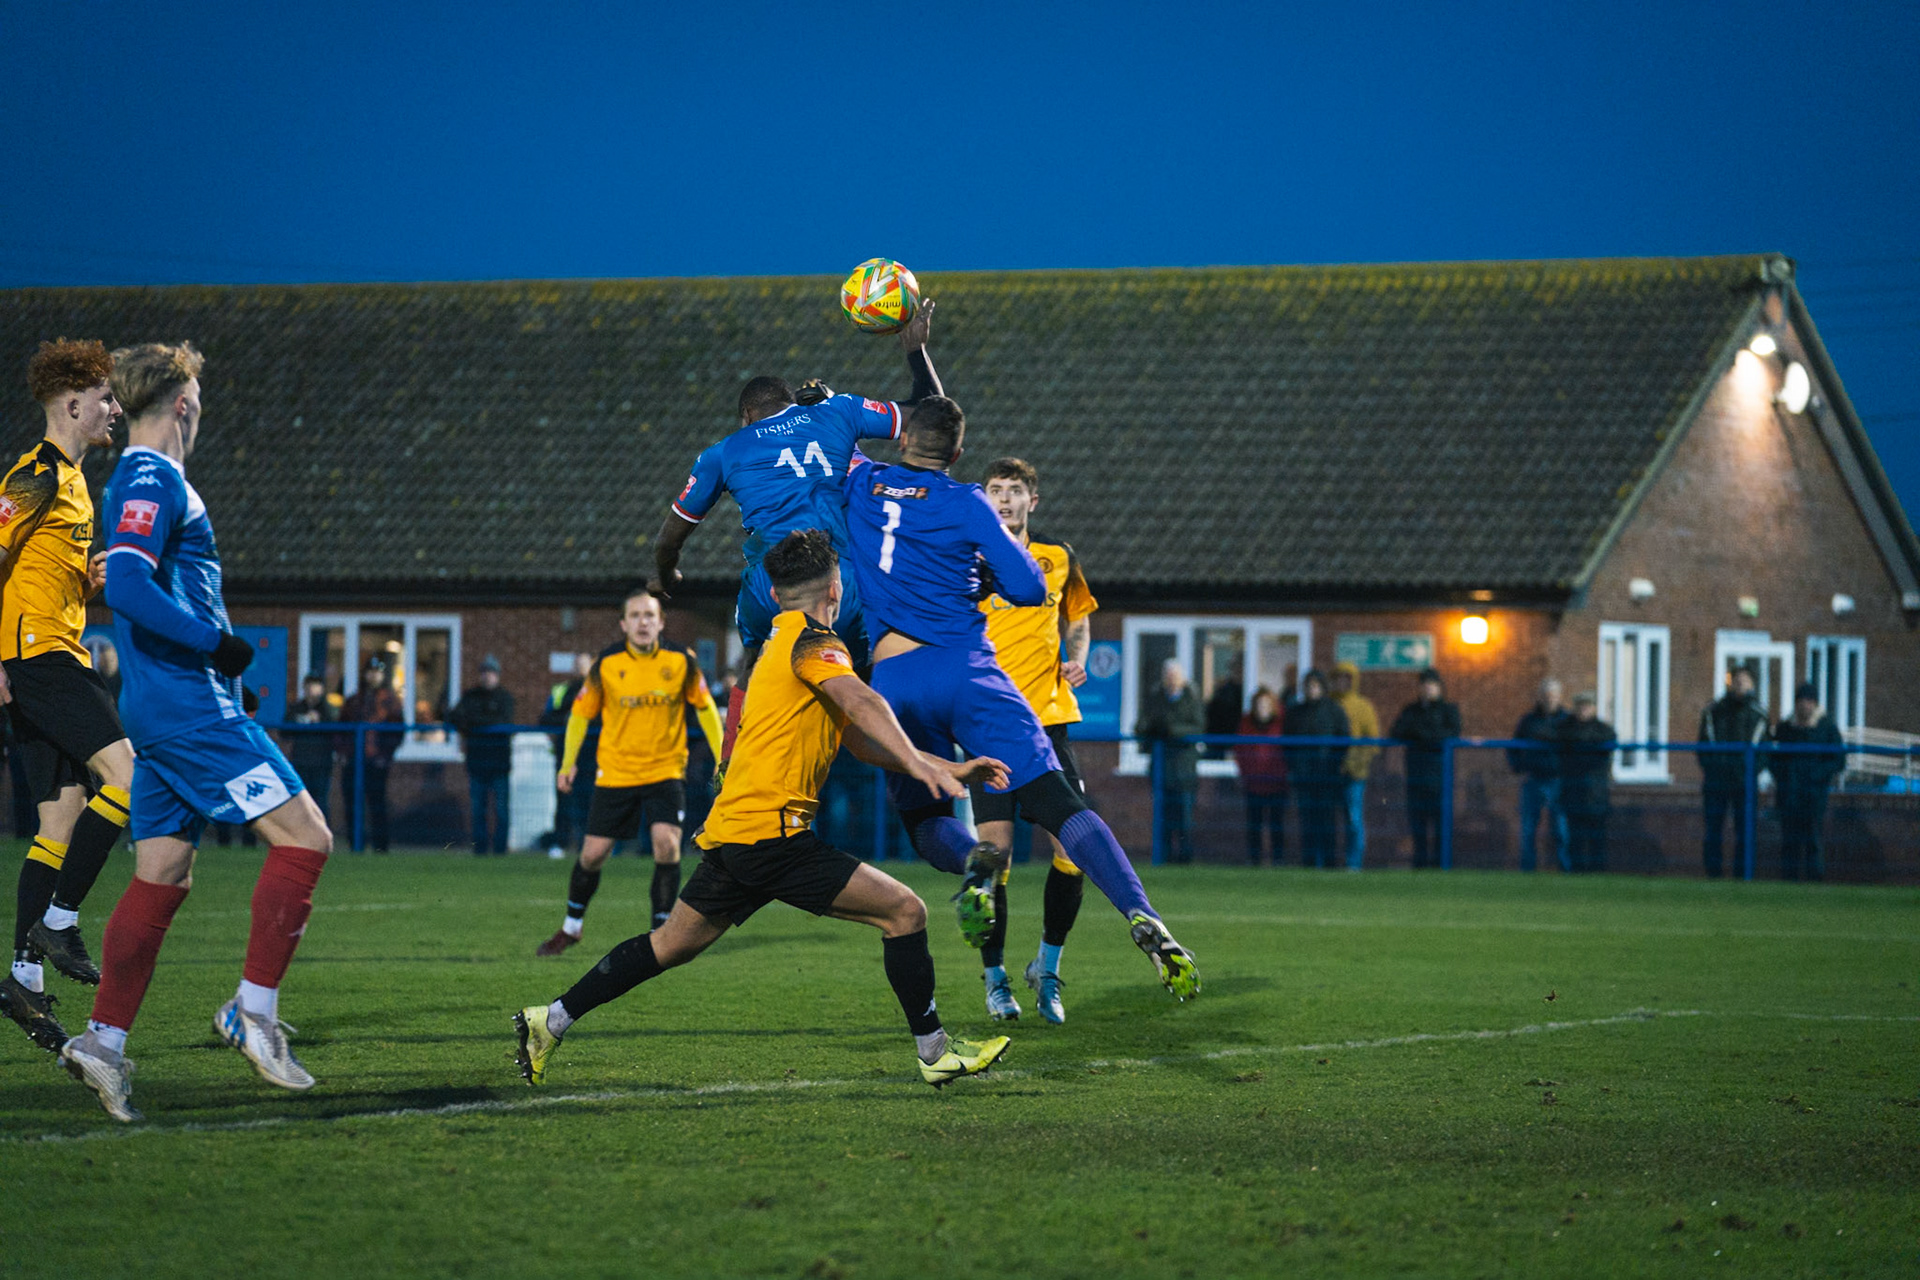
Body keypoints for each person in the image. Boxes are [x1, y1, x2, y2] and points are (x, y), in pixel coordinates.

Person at [514, 530, 1013, 1089]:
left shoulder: (776, 643)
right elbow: (862, 701)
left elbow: (855, 738)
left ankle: (549, 1020)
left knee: (669, 946)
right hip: (773, 837)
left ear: (774, 595)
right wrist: (924, 766)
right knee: (905, 912)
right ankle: (935, 1052)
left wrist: (945, 768)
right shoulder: (815, 644)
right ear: (836, 588)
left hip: (738, 830)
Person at [843, 396, 1199, 999]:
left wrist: (834, 401)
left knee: (926, 821)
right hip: (967, 671)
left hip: (895, 679)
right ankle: (1142, 913)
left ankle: (974, 862)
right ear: (959, 453)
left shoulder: (861, 483)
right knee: (1060, 805)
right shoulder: (968, 503)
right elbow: (1031, 590)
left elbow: (838, 439)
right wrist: (986, 568)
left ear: (902, 441)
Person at [59, 341, 334, 1122]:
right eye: (200, 400)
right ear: (183, 403)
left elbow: (137, 578)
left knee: (163, 875)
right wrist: (218, 646)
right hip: (188, 707)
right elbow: (131, 585)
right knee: (305, 839)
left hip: (165, 709)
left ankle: (103, 1041)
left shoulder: (141, 480)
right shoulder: (152, 476)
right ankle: (253, 1011)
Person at [648, 302, 944, 763]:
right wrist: (915, 351)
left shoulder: (723, 452)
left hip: (771, 590)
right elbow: (933, 418)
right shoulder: (838, 411)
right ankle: (919, 764)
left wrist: (665, 576)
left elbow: (670, 539)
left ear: (746, 416)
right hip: (841, 587)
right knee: (863, 681)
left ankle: (731, 764)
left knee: (754, 668)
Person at [1, 340, 138, 1056]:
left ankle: (23, 975)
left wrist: (84, 581)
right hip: (40, 658)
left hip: (48, 651)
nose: (115, 408)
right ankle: (60, 919)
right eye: (106, 398)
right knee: (129, 778)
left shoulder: (76, 482)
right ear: (73, 404)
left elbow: (31, 568)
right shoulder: (35, 474)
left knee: (61, 817)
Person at [965, 457, 1101, 1023]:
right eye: (995, 489)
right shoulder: (968, 561)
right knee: (993, 857)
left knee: (1075, 849)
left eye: (1014, 490)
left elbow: (1079, 617)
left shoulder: (1057, 557)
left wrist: (1077, 657)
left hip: (1048, 722)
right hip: (989, 727)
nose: (1004, 498)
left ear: (1032, 501)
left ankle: (1047, 967)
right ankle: (995, 979)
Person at [535, 590, 723, 954]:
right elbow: (580, 714)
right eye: (635, 615)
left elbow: (705, 708)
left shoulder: (681, 660)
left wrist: (721, 756)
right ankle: (572, 927)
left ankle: (662, 933)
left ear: (661, 622)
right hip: (616, 773)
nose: (642, 622)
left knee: (667, 844)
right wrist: (567, 762)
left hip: (665, 770)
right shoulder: (606, 663)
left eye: (649, 615)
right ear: (623, 624)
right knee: (593, 854)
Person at [1698, 666, 1768, 877]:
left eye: (1744, 680)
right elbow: (1703, 746)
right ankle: (1713, 874)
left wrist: (1749, 771)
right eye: (1736, 680)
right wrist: (1714, 768)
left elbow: (1764, 751)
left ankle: (1743, 875)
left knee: (1745, 830)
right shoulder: (1713, 712)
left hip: (1744, 782)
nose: (1739, 684)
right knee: (1713, 829)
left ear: (1752, 684)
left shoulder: (1758, 715)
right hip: (1716, 781)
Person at [1769, 682, 1843, 881]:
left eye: (1809, 701)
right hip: (1789, 793)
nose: (1804, 705)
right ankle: (1789, 879)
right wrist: (1784, 776)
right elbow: (1773, 759)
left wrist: (1817, 775)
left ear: (1815, 703)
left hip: (1814, 794)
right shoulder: (1785, 728)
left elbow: (1838, 760)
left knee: (1813, 838)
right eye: (1801, 700)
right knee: (1789, 840)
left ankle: (1814, 879)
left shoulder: (1826, 728)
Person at [1134, 659, 1204, 865]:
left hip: (1184, 768)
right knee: (1162, 816)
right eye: (1168, 675)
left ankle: (1184, 859)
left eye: (1175, 675)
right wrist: (1153, 728)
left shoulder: (1191, 700)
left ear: (1182, 679)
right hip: (1161, 767)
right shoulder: (1155, 699)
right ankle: (1162, 858)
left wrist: (1172, 730)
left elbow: (1198, 728)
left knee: (1184, 817)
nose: (1171, 679)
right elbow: (1141, 725)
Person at [1391, 668, 1461, 868]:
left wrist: (1420, 735)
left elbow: (1451, 732)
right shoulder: (1411, 710)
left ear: (1439, 687)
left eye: (1432, 684)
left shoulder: (1449, 710)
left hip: (1440, 779)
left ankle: (1440, 865)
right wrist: (1427, 735)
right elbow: (1397, 731)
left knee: (1441, 825)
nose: (1428, 688)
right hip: (1416, 777)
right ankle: (1420, 865)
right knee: (1418, 826)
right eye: (1424, 684)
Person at [449, 654, 516, 855]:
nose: (487, 676)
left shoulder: (505, 698)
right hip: (477, 763)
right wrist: (479, 723)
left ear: (498, 675)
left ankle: (500, 850)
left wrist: (473, 724)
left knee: (501, 810)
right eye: (484, 672)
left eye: (491, 672)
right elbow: (453, 716)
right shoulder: (471, 696)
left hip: (499, 764)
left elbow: (504, 722)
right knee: (478, 810)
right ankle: (480, 849)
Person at [1283, 670, 1350, 868]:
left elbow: (1343, 739)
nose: (1311, 689)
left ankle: (1329, 862)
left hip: (1327, 775)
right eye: (1308, 686)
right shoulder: (1296, 712)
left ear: (1322, 687)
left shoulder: (1334, 711)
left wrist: (1335, 764)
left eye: (1315, 685)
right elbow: (1287, 742)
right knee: (1307, 820)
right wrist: (1294, 766)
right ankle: (1309, 862)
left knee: (1328, 820)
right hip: (1304, 775)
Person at [340, 660, 403, 852]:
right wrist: (345, 753)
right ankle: (355, 845)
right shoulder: (354, 701)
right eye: (370, 671)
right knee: (352, 804)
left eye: (377, 672)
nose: (373, 675)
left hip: (376, 762)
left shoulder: (390, 702)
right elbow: (341, 729)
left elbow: (397, 731)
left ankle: (380, 847)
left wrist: (384, 755)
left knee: (377, 805)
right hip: (354, 760)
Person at [1508, 678, 1570, 872]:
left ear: (1560, 696)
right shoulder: (1529, 720)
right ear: (1540, 696)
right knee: (1528, 828)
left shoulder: (1567, 721)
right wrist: (1519, 766)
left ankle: (1565, 869)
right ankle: (1528, 870)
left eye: (1553, 695)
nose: (1549, 699)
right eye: (1546, 695)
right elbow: (1513, 746)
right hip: (1533, 778)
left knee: (1561, 829)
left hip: (1558, 780)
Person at [539, 652, 595, 859]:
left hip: (590, 757)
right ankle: (560, 843)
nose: (581, 669)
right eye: (577, 665)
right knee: (563, 800)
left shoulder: (599, 691)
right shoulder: (562, 690)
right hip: (566, 757)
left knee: (588, 801)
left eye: (584, 664)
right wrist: (569, 720)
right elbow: (546, 718)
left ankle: (586, 845)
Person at [1556, 692, 1617, 872]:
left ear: (1594, 708)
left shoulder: (1603, 729)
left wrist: (1579, 745)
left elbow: (1609, 738)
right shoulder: (1567, 728)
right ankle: (1577, 871)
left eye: (1587, 705)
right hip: (1573, 790)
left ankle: (1597, 871)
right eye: (1580, 705)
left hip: (1595, 792)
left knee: (1596, 836)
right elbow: (1560, 735)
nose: (1583, 709)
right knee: (1575, 836)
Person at [1331, 662, 1378, 870]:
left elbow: (1372, 741)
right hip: (1330, 770)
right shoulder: (1329, 704)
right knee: (1327, 818)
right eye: (1338, 678)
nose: (1342, 683)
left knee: (1353, 818)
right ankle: (1327, 861)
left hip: (1354, 773)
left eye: (1346, 679)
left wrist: (1356, 763)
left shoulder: (1363, 707)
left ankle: (1353, 863)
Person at [1236, 688, 1288, 866]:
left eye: (1266, 704)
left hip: (1277, 782)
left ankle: (1278, 859)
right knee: (1254, 824)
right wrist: (1244, 773)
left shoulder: (1280, 723)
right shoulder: (1246, 724)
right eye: (1259, 704)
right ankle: (1254, 859)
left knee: (1276, 823)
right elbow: (1240, 751)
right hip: (1254, 782)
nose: (1262, 708)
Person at [282, 674, 339, 825]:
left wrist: (319, 720)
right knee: (301, 802)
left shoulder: (328, 709)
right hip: (301, 761)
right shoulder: (296, 707)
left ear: (322, 688)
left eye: (315, 685)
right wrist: (301, 720)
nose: (311, 689)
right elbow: (284, 731)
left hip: (321, 762)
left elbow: (336, 731)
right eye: (309, 685)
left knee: (321, 802)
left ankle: (322, 833)